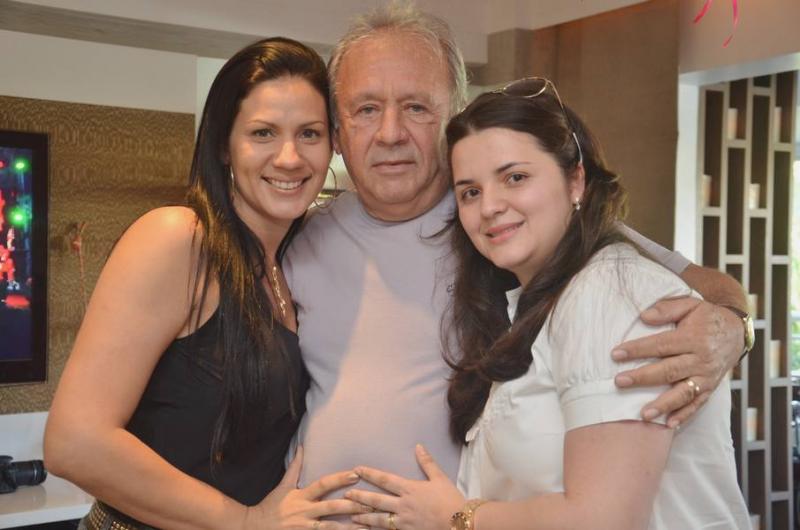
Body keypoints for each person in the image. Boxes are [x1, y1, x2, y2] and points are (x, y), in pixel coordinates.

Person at [285, 0, 749, 505]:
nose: (391, 133)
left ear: (452, 117)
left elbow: (704, 286)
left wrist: (732, 329)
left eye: (417, 107)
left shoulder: (507, 225)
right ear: (337, 132)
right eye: (366, 109)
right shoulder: (300, 237)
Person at [44, 37, 364, 530]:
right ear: (223, 146)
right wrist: (247, 521)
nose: (289, 157)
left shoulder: (291, 263)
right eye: (262, 133)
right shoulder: (180, 238)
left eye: (310, 133)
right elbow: (73, 444)